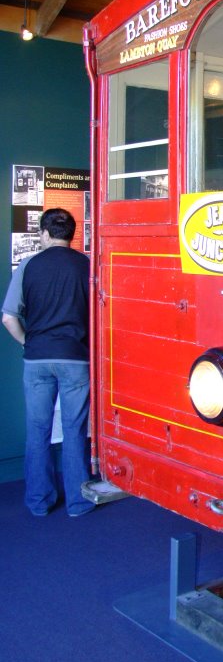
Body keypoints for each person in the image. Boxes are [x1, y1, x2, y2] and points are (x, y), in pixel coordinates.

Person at [2, 207, 94, 517]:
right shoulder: (87, 266)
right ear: (72, 234)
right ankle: (78, 502)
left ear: (44, 233)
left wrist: (28, 341)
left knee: (38, 430)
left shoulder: (28, 266)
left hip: (37, 359)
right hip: (75, 359)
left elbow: (8, 317)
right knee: (74, 430)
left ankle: (39, 502)